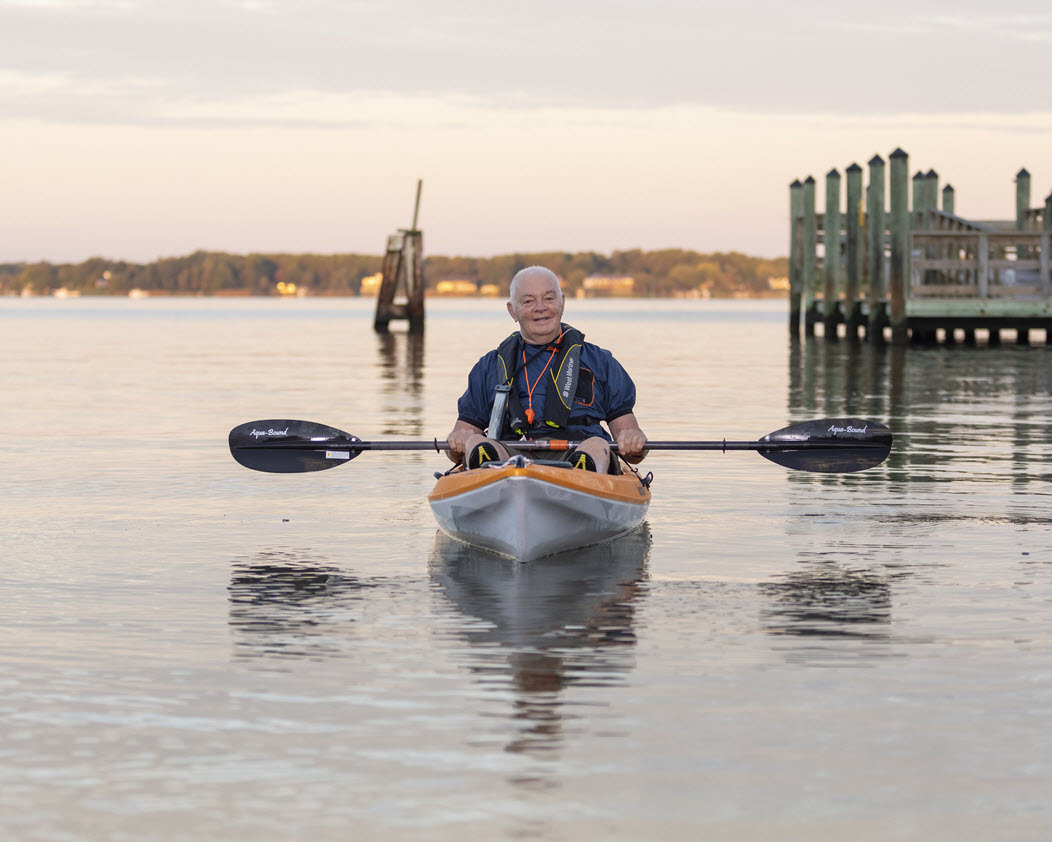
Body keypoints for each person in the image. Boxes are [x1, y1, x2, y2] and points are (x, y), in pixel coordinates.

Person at [446, 266, 648, 473]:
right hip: (510, 460)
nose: (540, 307)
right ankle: (492, 478)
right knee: (476, 443)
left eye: (549, 299)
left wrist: (633, 439)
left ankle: (581, 475)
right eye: (528, 301)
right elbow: (456, 449)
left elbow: (633, 450)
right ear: (512, 310)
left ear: (562, 303)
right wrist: (458, 440)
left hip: (579, 453)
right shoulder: (488, 366)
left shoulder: (601, 361)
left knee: (596, 445)